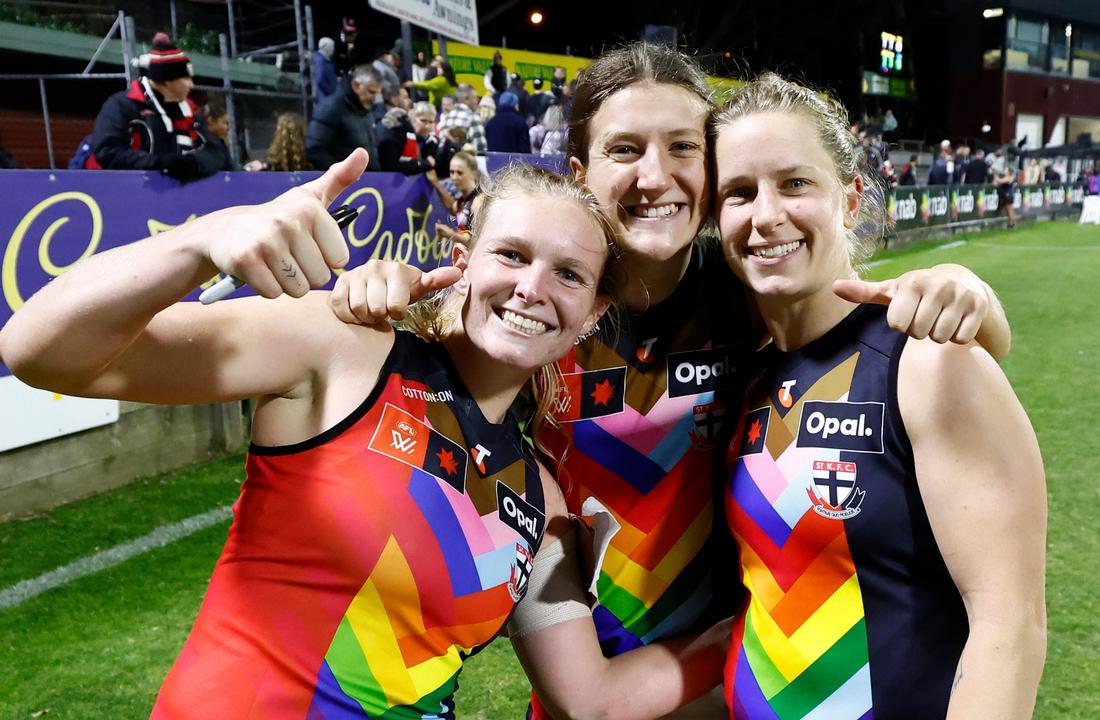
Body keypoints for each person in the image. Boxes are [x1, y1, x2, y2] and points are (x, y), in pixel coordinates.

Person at [329, 42, 1013, 719]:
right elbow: (413, 352)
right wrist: (373, 291)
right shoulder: (534, 313)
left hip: (724, 689)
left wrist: (966, 290)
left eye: (683, 148)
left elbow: (867, 342)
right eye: (625, 150)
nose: (655, 176)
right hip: (588, 678)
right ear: (580, 170)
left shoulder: (746, 289)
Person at [0, 151, 722, 717]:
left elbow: (589, 700)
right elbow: (39, 349)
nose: (533, 287)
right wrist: (203, 239)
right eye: (511, 255)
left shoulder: (544, 501)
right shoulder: (346, 348)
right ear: (464, 259)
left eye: (568, 274)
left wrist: (767, 640)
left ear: (594, 313)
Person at [710, 72, 1046, 720]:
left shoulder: (928, 361)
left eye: (795, 183)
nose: (766, 214)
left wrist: (964, 284)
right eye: (739, 192)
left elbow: (1012, 627)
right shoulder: (749, 375)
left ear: (851, 198)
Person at [87, 33, 228, 181]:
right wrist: (156, 163)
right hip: (128, 190)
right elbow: (106, 151)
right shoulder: (122, 105)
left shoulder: (191, 111)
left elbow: (216, 152)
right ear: (166, 81)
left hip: (180, 193)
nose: (191, 85)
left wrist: (192, 164)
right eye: (185, 78)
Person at [306, 64, 381, 171]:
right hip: (345, 183)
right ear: (355, 85)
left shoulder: (366, 110)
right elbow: (314, 149)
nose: (374, 99)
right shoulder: (331, 107)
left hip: (369, 183)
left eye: (377, 93)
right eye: (371, 92)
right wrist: (342, 174)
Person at [438, 83, 488, 155]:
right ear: (466, 99)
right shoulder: (473, 118)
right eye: (475, 97)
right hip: (466, 163)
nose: (477, 100)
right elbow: (480, 150)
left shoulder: (445, 119)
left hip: (447, 164)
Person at [313, 37, 338, 104]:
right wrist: (332, 92)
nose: (333, 49)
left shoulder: (324, 60)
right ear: (327, 47)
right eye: (332, 47)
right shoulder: (320, 61)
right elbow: (320, 79)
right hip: (325, 98)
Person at [996, 161, 1018, 229]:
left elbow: (999, 181)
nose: (1004, 170)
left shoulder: (1009, 177)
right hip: (1006, 194)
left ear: (1008, 171)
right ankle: (1010, 223)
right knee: (1007, 210)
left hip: (1008, 194)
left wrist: (995, 175)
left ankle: (1012, 224)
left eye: (1006, 169)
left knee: (1010, 210)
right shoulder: (1007, 177)